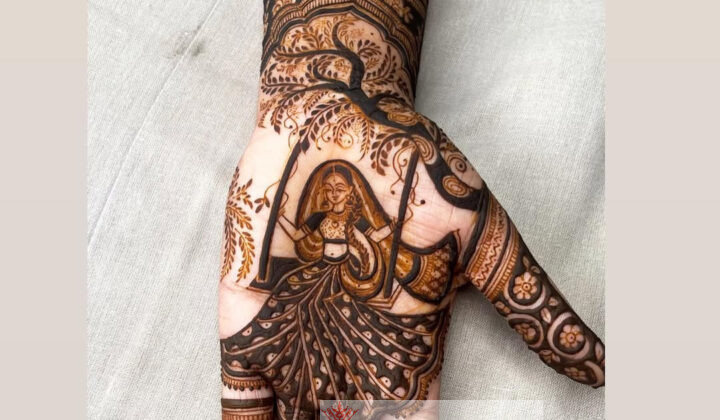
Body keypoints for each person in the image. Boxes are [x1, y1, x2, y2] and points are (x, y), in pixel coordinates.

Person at [218, 1, 604, 419]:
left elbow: (373, 237)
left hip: (348, 280)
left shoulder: (358, 217)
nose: (334, 195)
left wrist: (344, 104)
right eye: (329, 189)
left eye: (341, 189)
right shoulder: (322, 219)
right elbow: (303, 239)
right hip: (315, 282)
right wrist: (307, 104)